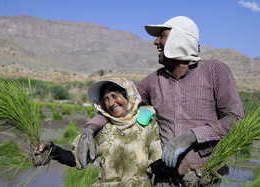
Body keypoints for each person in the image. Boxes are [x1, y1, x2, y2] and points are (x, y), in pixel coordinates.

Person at [76, 16, 244, 186]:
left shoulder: (215, 70)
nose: (155, 42)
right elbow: (118, 105)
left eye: (162, 36)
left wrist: (192, 135)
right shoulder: (153, 81)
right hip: (165, 180)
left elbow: (235, 120)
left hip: (205, 178)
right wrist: (89, 129)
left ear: (181, 39)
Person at [33, 77, 162, 186]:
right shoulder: (101, 130)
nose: (111, 103)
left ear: (128, 95)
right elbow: (77, 158)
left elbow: (156, 162)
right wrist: (52, 149)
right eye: (106, 99)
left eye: (114, 96)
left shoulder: (148, 126)